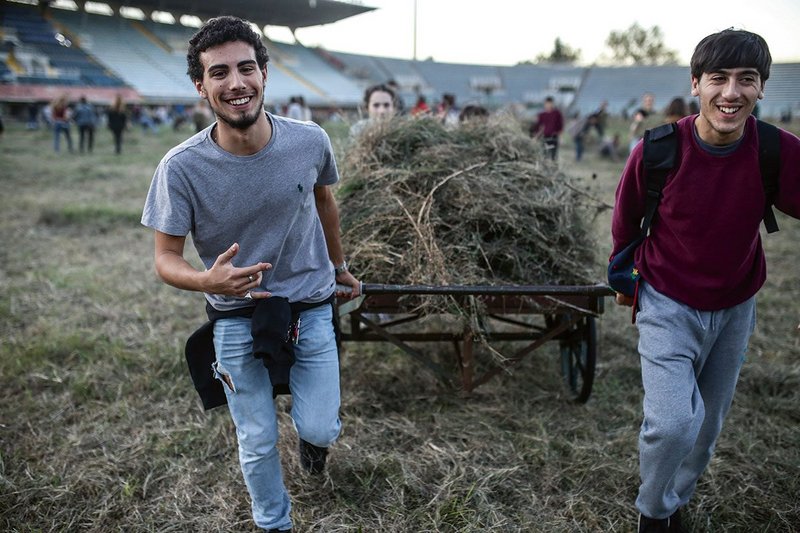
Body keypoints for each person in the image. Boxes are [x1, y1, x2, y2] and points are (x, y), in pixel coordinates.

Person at [141, 16, 360, 533]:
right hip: (236, 314)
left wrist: (340, 266)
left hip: (309, 304)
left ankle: (313, 443)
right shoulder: (181, 168)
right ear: (201, 85)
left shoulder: (309, 142)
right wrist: (207, 281)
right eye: (219, 73)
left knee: (321, 426)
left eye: (246, 68)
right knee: (257, 438)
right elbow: (165, 258)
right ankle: (273, 523)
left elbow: (325, 200)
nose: (235, 83)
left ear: (265, 73)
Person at [610, 29, 800, 532]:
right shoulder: (656, 151)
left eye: (747, 80)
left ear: (762, 88)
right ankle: (653, 515)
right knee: (673, 424)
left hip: (736, 305)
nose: (731, 93)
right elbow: (626, 226)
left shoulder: (776, 150)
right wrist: (626, 280)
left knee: (706, 429)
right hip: (667, 302)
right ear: (696, 83)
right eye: (718, 78)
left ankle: (676, 500)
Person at [529, 96, 564, 161]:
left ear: (552, 104)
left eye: (550, 103)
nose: (548, 105)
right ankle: (545, 168)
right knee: (544, 155)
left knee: (553, 156)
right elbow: (538, 127)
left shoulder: (557, 113)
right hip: (545, 137)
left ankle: (553, 169)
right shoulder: (542, 115)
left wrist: (561, 138)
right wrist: (535, 137)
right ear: (544, 104)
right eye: (546, 103)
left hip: (554, 137)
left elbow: (560, 126)